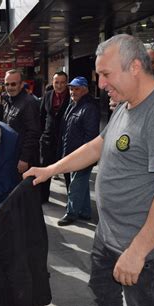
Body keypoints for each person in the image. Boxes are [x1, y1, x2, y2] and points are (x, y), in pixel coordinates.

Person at [24, 34, 154, 306]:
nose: (100, 84)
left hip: (141, 248)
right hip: (109, 236)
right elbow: (97, 146)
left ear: (135, 66)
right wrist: (50, 169)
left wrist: (137, 252)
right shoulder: (126, 106)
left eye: (105, 74)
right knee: (103, 295)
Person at [56, 77, 99, 226]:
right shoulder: (73, 104)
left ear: (85, 89)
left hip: (83, 156)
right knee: (81, 184)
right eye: (71, 88)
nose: (73, 91)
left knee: (75, 185)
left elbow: (91, 136)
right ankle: (85, 212)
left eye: (77, 88)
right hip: (74, 153)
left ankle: (71, 213)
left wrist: (82, 157)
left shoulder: (89, 107)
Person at [39, 71, 70, 203]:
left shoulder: (72, 96)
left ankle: (72, 202)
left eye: (62, 82)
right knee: (45, 170)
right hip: (48, 139)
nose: (59, 85)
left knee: (68, 171)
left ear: (66, 83)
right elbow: (41, 116)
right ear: (53, 82)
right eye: (56, 82)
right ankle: (43, 197)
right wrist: (41, 135)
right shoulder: (47, 95)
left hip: (65, 140)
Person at [3, 69, 41, 176]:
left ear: (21, 84)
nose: (10, 87)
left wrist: (24, 158)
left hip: (23, 160)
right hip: (11, 156)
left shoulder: (29, 102)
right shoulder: (8, 101)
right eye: (7, 84)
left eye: (13, 84)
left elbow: (33, 132)